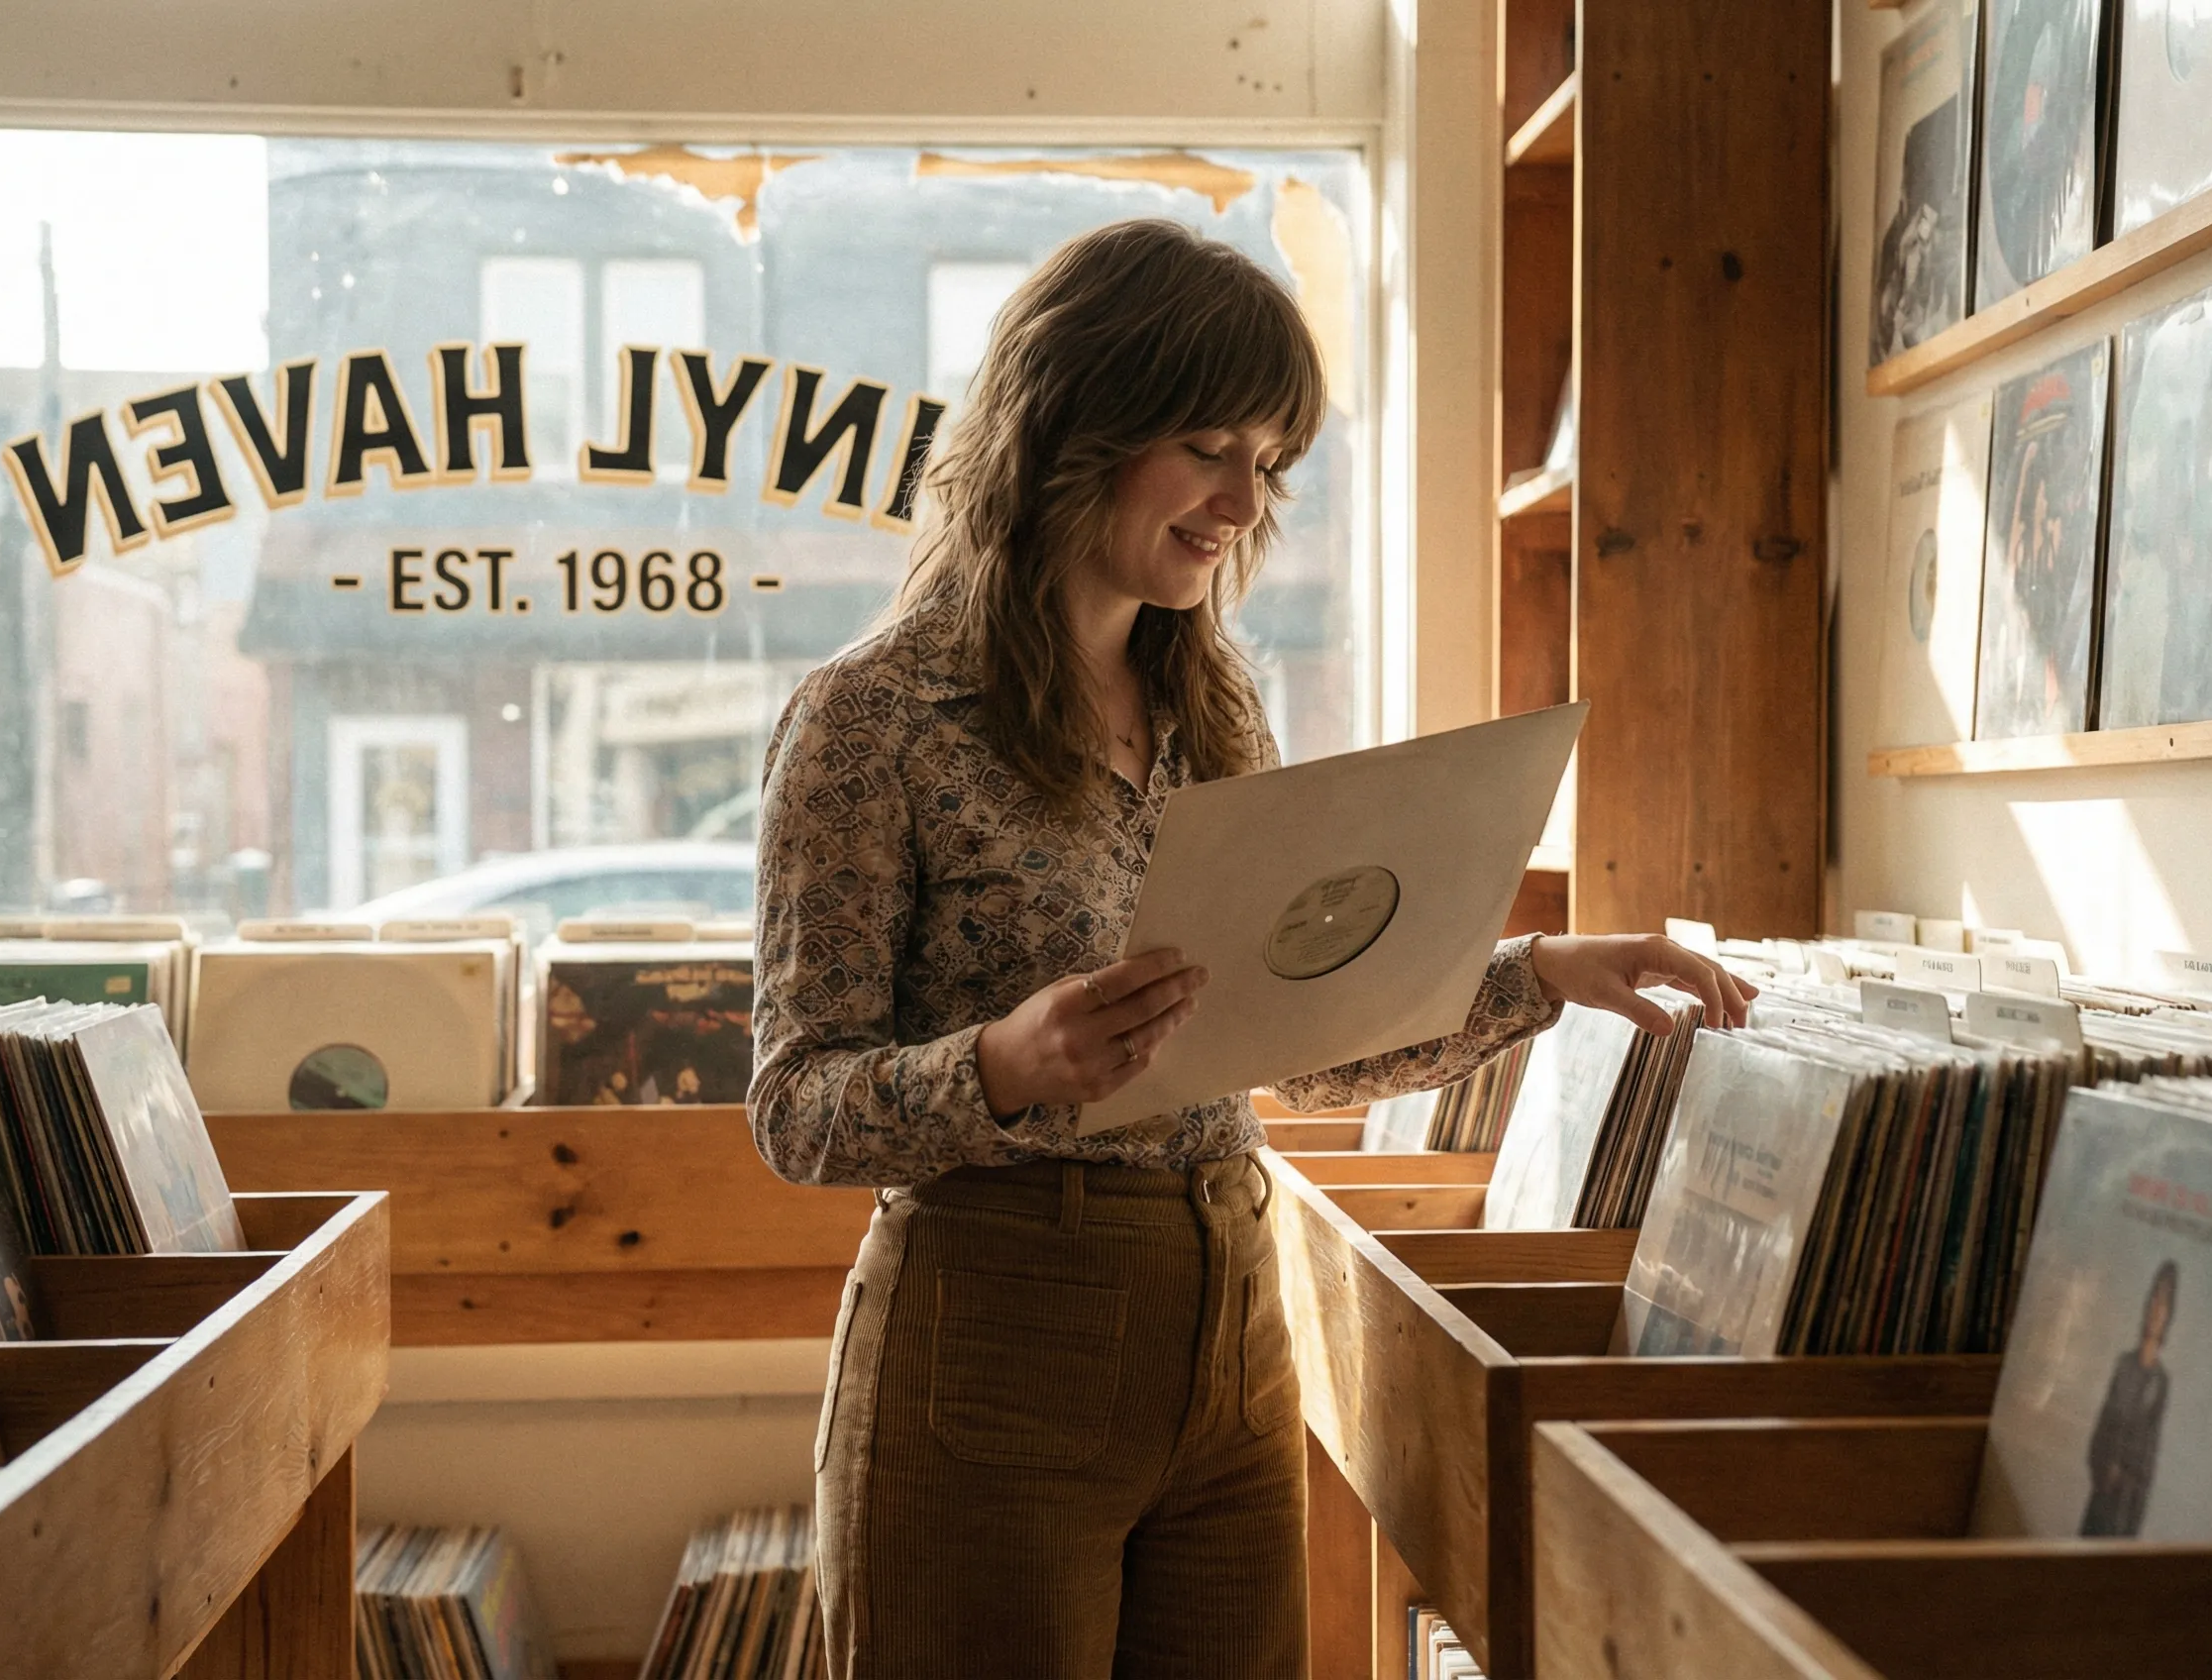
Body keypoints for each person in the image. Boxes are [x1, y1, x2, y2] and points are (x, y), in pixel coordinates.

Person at [749, 218, 1756, 1679]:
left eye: (1270, 461)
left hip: (1234, 1317)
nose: (1242, 499)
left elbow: (1304, 1044)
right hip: (995, 1341)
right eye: (1207, 444)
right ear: (1067, 428)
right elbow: (794, 1106)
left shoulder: (1212, 707)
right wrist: (1003, 1066)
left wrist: (1537, 976)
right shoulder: (872, 720)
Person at [2080, 1258, 2176, 1538]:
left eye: (2164, 1303)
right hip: (2102, 1497)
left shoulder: (2162, 1382)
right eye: (2154, 1299)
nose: (2157, 1310)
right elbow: (2102, 1427)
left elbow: (2150, 1453)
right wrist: (2104, 1469)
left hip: (2128, 1508)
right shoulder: (2123, 1365)